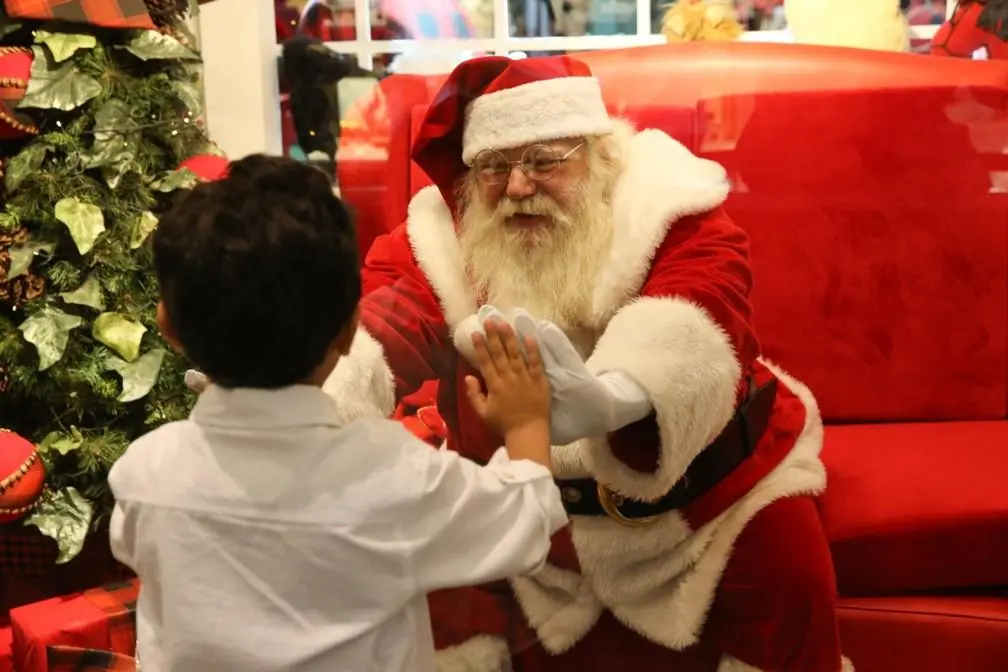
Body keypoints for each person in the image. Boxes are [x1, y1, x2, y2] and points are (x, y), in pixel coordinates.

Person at [323, 55, 851, 671]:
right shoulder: (444, 234)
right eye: (494, 168)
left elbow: (704, 303)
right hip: (526, 501)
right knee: (424, 589)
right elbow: (381, 322)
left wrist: (614, 398)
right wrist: (298, 395)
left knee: (788, 564)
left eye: (545, 161)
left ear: (598, 156)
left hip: (703, 501)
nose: (518, 187)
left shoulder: (668, 205)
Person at [106, 155, 569, 672]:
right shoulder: (389, 473)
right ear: (351, 329)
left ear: (167, 325)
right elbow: (525, 524)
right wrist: (527, 423)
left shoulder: (145, 470)